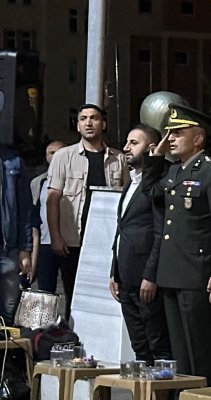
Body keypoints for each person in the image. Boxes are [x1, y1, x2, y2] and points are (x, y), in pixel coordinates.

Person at [148, 104, 211, 391]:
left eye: (178, 133)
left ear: (198, 139)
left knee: (201, 347)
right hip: (172, 271)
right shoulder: (174, 171)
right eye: (169, 133)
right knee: (180, 349)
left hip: (197, 272)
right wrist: (156, 156)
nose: (171, 138)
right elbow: (151, 192)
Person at [109, 124, 172, 400]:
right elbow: (122, 229)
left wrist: (152, 274)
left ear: (150, 148)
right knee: (139, 345)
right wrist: (114, 271)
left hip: (146, 277)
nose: (126, 147)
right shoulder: (131, 182)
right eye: (126, 141)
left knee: (157, 342)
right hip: (125, 275)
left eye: (133, 142)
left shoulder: (156, 182)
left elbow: (160, 232)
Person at [46, 104, 127, 316]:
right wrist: (56, 237)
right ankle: (72, 333)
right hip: (73, 240)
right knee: (73, 295)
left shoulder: (118, 159)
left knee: (106, 296)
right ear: (78, 125)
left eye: (94, 118)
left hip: (106, 241)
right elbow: (52, 199)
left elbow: (127, 200)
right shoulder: (63, 156)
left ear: (104, 124)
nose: (88, 123)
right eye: (83, 119)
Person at [0, 128, 34, 324]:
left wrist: (25, 249)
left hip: (9, 249)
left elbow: (25, 209)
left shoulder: (13, 162)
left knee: (8, 311)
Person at [30, 141, 64, 289]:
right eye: (52, 153)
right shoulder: (38, 182)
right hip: (45, 243)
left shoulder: (76, 180)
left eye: (59, 152)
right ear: (46, 156)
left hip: (69, 242)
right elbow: (33, 219)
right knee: (44, 290)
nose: (55, 156)